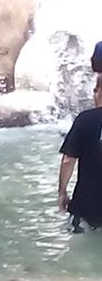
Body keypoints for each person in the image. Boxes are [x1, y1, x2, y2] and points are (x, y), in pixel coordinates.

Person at [57, 74, 102, 233]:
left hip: (85, 208)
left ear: (97, 92)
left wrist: (62, 192)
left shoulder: (85, 119)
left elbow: (68, 160)